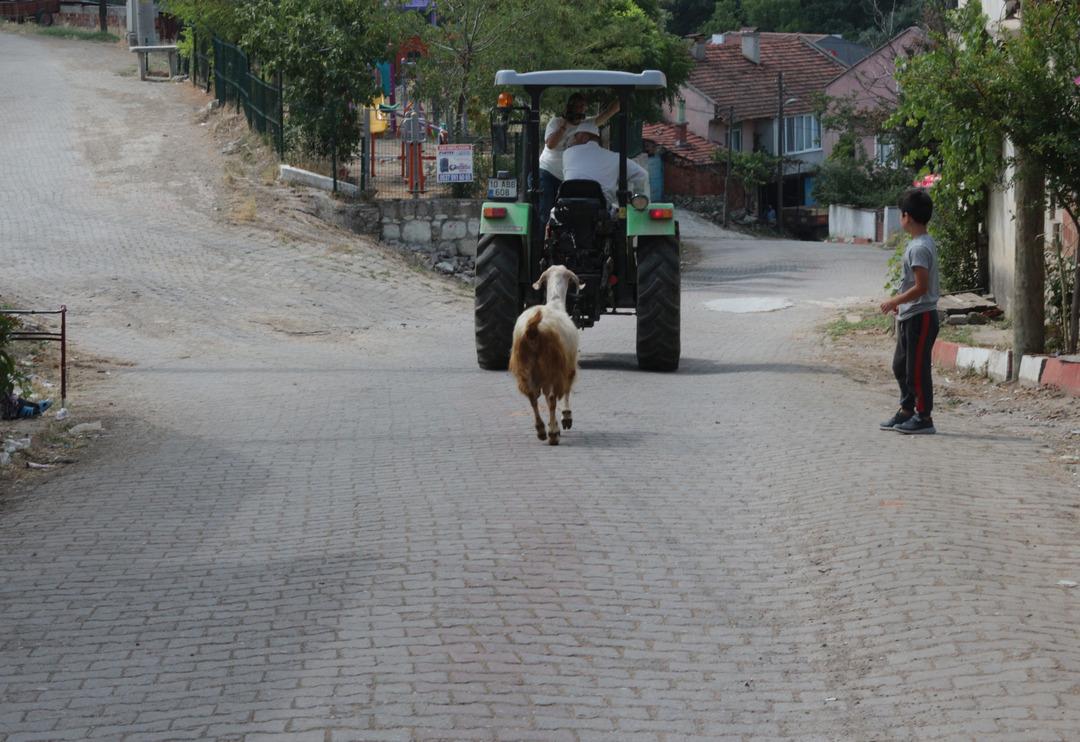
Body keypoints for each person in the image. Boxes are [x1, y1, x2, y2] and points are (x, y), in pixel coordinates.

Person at [879, 188, 940, 434]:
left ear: (907, 216)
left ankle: (924, 418)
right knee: (900, 366)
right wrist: (901, 305)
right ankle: (907, 410)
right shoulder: (918, 243)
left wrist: (895, 301)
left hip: (921, 316)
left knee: (917, 369)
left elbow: (921, 287)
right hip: (910, 314)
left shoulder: (919, 248)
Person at [536, 94, 619, 226]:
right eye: (578, 106)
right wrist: (563, 127)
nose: (581, 110)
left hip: (569, 178)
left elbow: (609, 112)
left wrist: (622, 95)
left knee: (576, 210)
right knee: (544, 210)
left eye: (583, 107)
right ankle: (538, 244)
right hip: (549, 173)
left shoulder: (586, 124)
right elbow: (550, 144)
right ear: (570, 107)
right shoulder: (555, 123)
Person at [561, 120, 649, 212]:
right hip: (601, 209)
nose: (573, 141)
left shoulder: (567, 153)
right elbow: (642, 175)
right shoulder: (615, 158)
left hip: (570, 208)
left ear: (584, 137)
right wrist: (637, 199)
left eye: (575, 137)